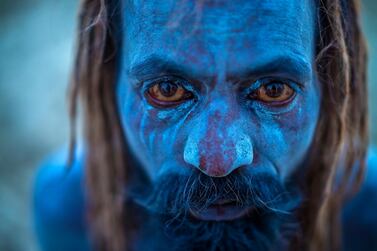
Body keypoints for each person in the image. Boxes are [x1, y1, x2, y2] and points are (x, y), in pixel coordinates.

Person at [33, 0, 377, 250]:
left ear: (329, 85)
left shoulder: (369, 217)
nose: (218, 161)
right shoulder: (70, 212)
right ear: (110, 85)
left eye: (274, 91)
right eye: (166, 90)